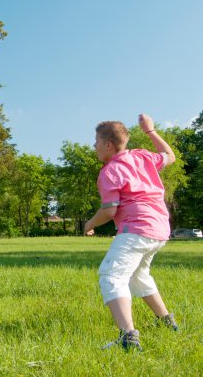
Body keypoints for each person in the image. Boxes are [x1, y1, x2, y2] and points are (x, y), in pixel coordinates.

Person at [84, 114, 179, 351]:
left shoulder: (110, 171)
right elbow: (170, 156)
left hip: (136, 229)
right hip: (159, 228)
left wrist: (89, 224)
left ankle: (128, 337)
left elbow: (109, 211)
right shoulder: (142, 156)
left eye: (96, 142)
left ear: (108, 145)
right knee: (139, 276)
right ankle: (168, 322)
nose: (93, 146)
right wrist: (150, 131)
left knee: (111, 276)